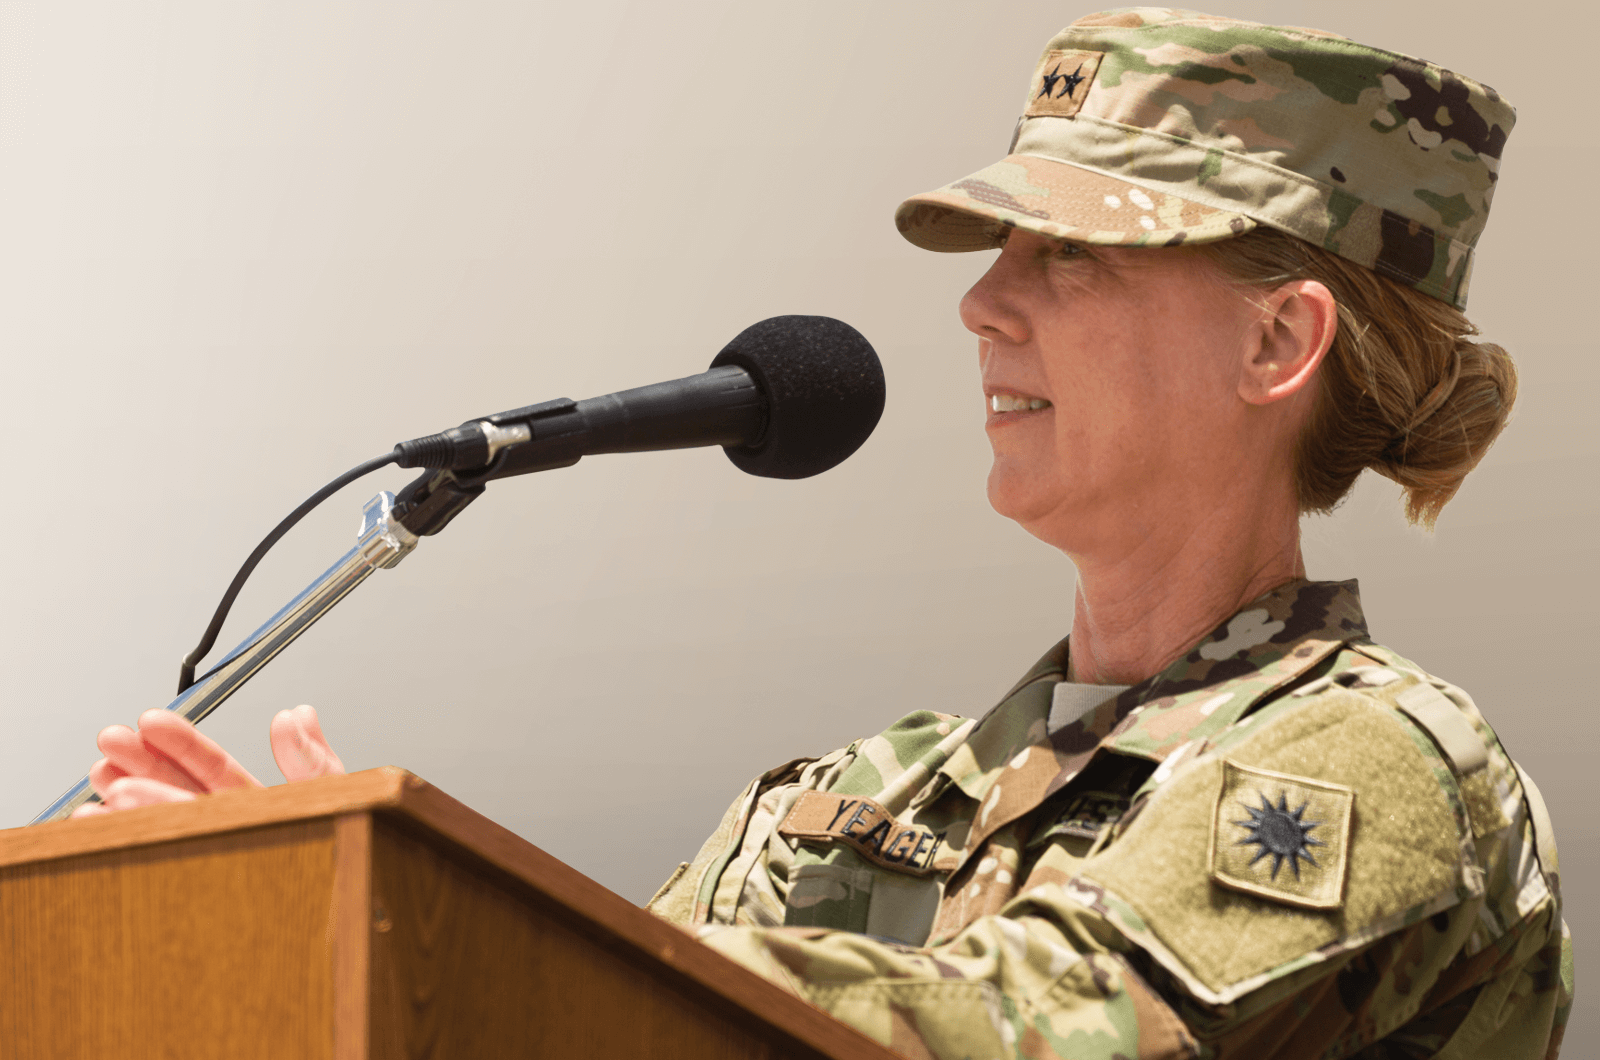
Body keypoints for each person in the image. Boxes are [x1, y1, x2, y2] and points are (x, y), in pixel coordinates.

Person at [75, 9, 1571, 1057]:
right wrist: (309, 927)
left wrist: (418, 915)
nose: (986, 304)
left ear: (1278, 341)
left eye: (1076, 255)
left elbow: (1024, 1038)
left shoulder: (1380, 763)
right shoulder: (853, 796)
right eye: (997, 251)